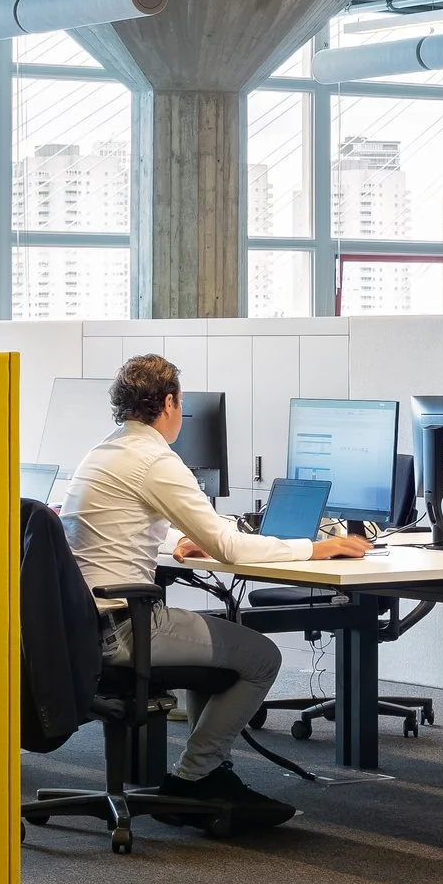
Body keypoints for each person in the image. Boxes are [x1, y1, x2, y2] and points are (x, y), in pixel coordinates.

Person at [63, 354, 372, 830]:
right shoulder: (154, 460)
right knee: (261, 657)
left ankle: (203, 774)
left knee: (217, 639)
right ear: (170, 403)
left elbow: (115, 527)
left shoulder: (105, 450)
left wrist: (173, 539)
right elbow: (229, 546)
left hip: (82, 626)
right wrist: (317, 548)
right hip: (123, 629)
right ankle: (195, 777)